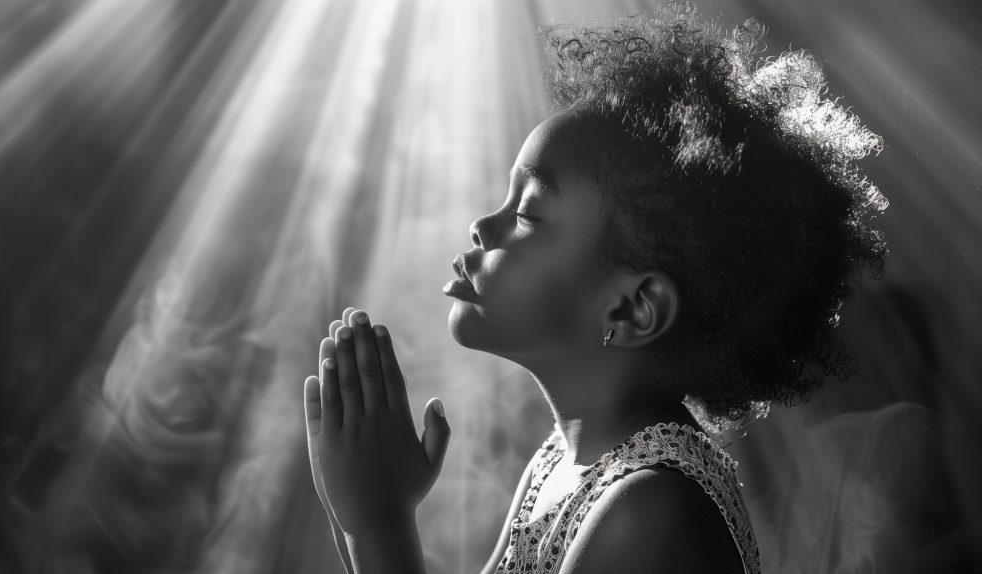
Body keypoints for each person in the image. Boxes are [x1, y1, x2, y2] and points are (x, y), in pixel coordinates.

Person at [303, 1, 889, 572]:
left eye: (529, 214)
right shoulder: (563, 461)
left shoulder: (650, 511)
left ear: (633, 308)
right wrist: (360, 504)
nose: (483, 226)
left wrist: (378, 522)